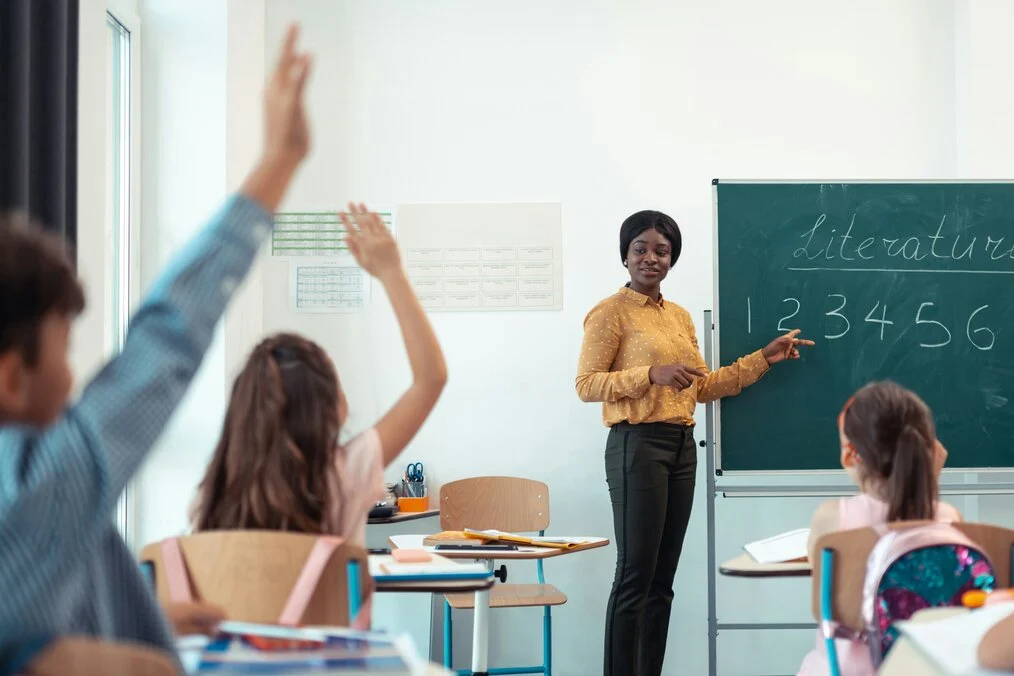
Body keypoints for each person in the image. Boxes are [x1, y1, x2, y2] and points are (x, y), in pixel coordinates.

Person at [0, 23, 313, 673]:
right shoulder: (36, 484)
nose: (73, 375)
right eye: (62, 348)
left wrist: (141, 615)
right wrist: (276, 164)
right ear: (11, 379)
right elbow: (165, 343)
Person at [576, 209, 814, 676]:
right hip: (636, 446)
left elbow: (702, 388)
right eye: (641, 249)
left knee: (663, 581)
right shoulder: (609, 313)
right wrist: (649, 374)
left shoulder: (680, 317)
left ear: (672, 259)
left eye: (661, 251)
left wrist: (763, 359)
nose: (651, 258)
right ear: (625, 255)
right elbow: (586, 385)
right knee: (634, 577)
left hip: (683, 448)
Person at [190, 203, 447, 547]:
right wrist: (391, 273)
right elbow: (430, 379)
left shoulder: (210, 499)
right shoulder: (344, 476)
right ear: (326, 408)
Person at [797, 381, 957, 676]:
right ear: (932, 452)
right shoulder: (948, 519)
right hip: (926, 668)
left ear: (849, 455)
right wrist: (929, 485)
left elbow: (823, 607)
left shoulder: (831, 519)